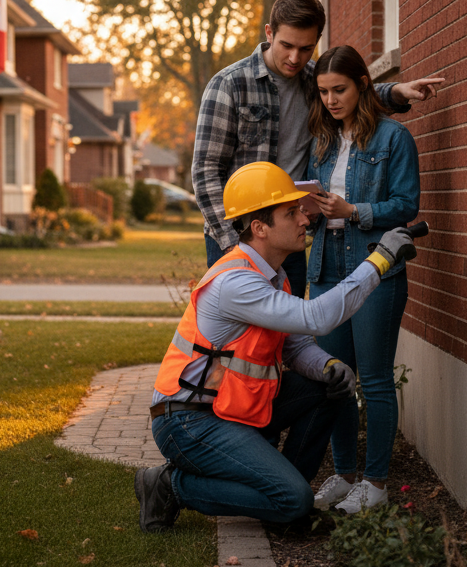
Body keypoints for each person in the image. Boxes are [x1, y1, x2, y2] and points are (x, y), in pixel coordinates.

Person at [134, 161, 418, 533]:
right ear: (260, 228)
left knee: (326, 390)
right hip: (187, 421)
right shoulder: (236, 283)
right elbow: (317, 317)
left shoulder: (272, 275)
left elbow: (297, 347)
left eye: (300, 210)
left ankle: (283, 509)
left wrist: (329, 366)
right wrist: (380, 260)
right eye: (291, 212)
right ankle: (171, 485)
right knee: (296, 499)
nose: (304, 219)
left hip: (225, 407)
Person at [192, 0, 443, 295]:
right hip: (238, 235)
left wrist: (397, 92)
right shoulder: (229, 84)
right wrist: (236, 243)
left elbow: (350, 91)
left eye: (306, 48)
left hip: (289, 232)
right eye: (286, 46)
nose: (295, 58)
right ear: (269, 33)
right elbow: (206, 170)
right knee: (236, 337)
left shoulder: (314, 81)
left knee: (289, 333)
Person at [304, 45, 421, 515]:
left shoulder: (394, 138)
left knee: (373, 379)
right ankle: (344, 474)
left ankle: (375, 484)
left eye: (340, 90)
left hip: (375, 266)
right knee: (336, 379)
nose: (331, 100)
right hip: (326, 268)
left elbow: (406, 205)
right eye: (324, 92)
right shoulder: (322, 142)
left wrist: (355, 211)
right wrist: (307, 209)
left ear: (362, 87)